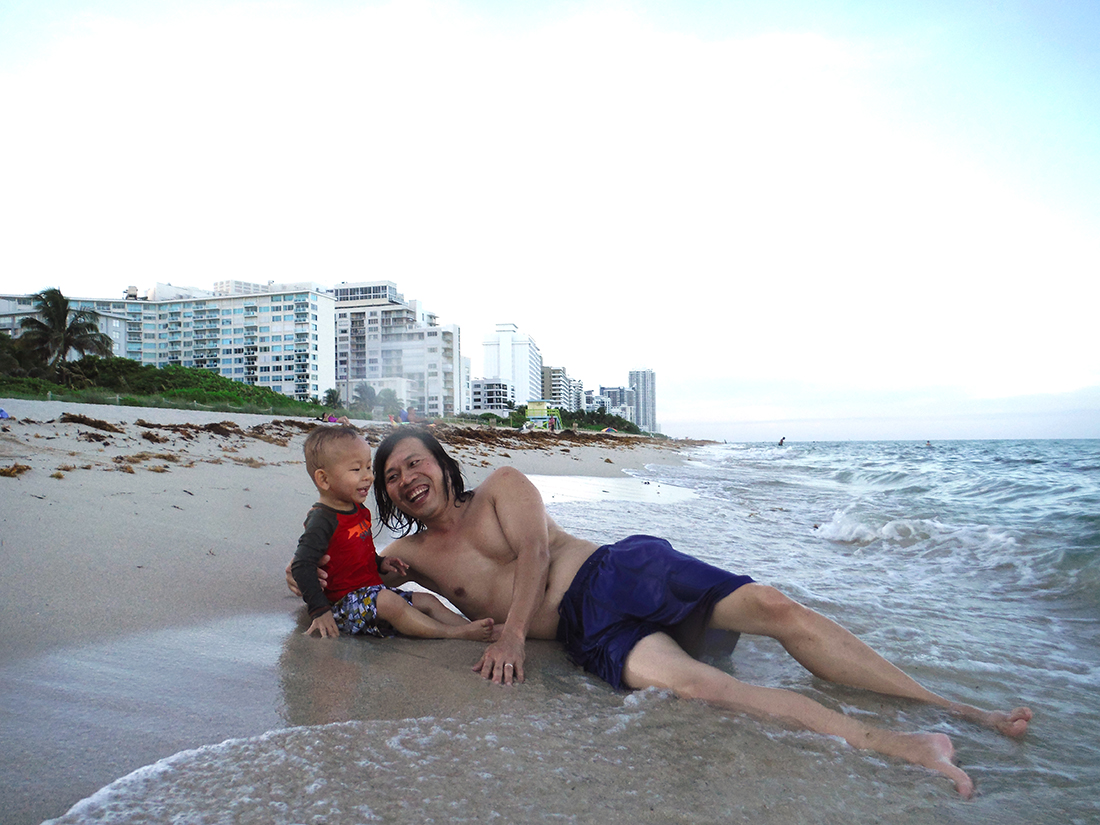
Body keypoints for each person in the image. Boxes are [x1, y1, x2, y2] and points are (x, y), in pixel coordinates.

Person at [289, 426, 1032, 797]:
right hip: (593, 634)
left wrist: (511, 631)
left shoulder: (505, 487)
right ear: (386, 496)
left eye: (415, 461)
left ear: (443, 465)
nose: (406, 476)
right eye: (391, 476)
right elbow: (352, 577)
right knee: (705, 687)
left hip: (621, 573)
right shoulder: (412, 554)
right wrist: (312, 587)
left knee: (772, 604)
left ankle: (960, 708)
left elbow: (539, 560)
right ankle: (906, 744)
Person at [290, 425, 495, 642]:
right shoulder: (322, 519)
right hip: (344, 605)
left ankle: (479, 630)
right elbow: (302, 565)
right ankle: (454, 633)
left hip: (372, 594)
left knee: (426, 601)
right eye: (356, 469)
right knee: (389, 602)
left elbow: (357, 553)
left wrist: (380, 563)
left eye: (369, 468)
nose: (368, 477)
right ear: (324, 479)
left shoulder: (359, 511)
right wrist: (320, 611)